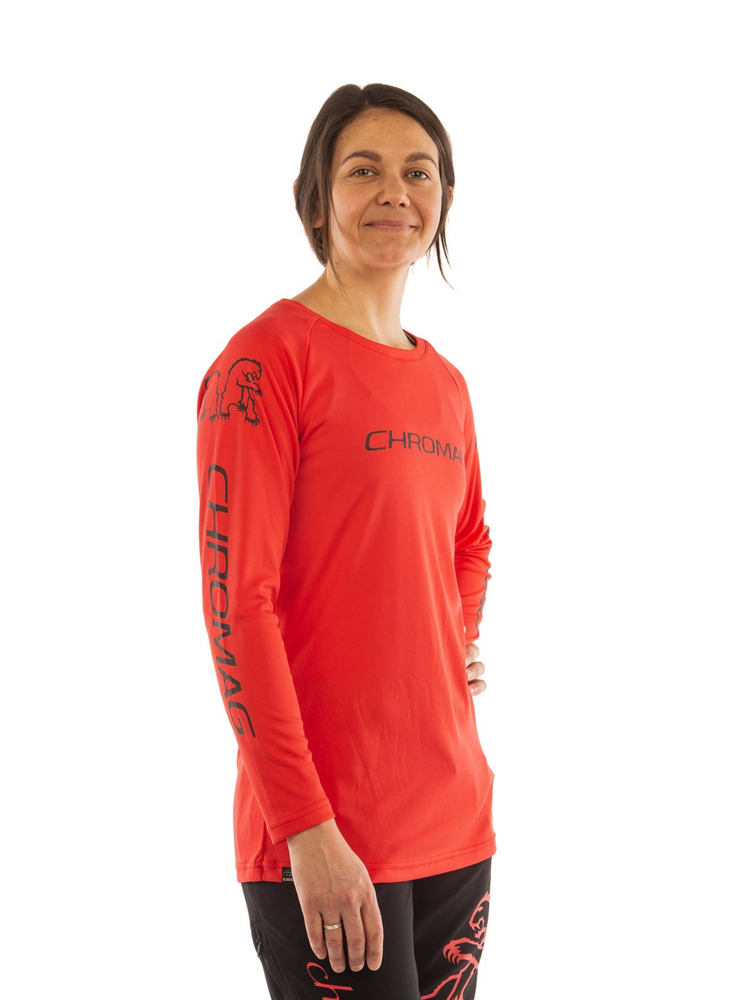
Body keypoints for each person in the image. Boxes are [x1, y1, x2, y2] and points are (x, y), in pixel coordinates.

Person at [196, 82, 495, 1000]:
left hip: (454, 818)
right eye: (363, 170)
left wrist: (448, 636)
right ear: (316, 199)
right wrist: (304, 828)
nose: (395, 191)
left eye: (419, 172)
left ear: (444, 198)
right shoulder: (265, 363)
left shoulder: (445, 385)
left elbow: (470, 538)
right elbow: (236, 608)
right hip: (326, 836)